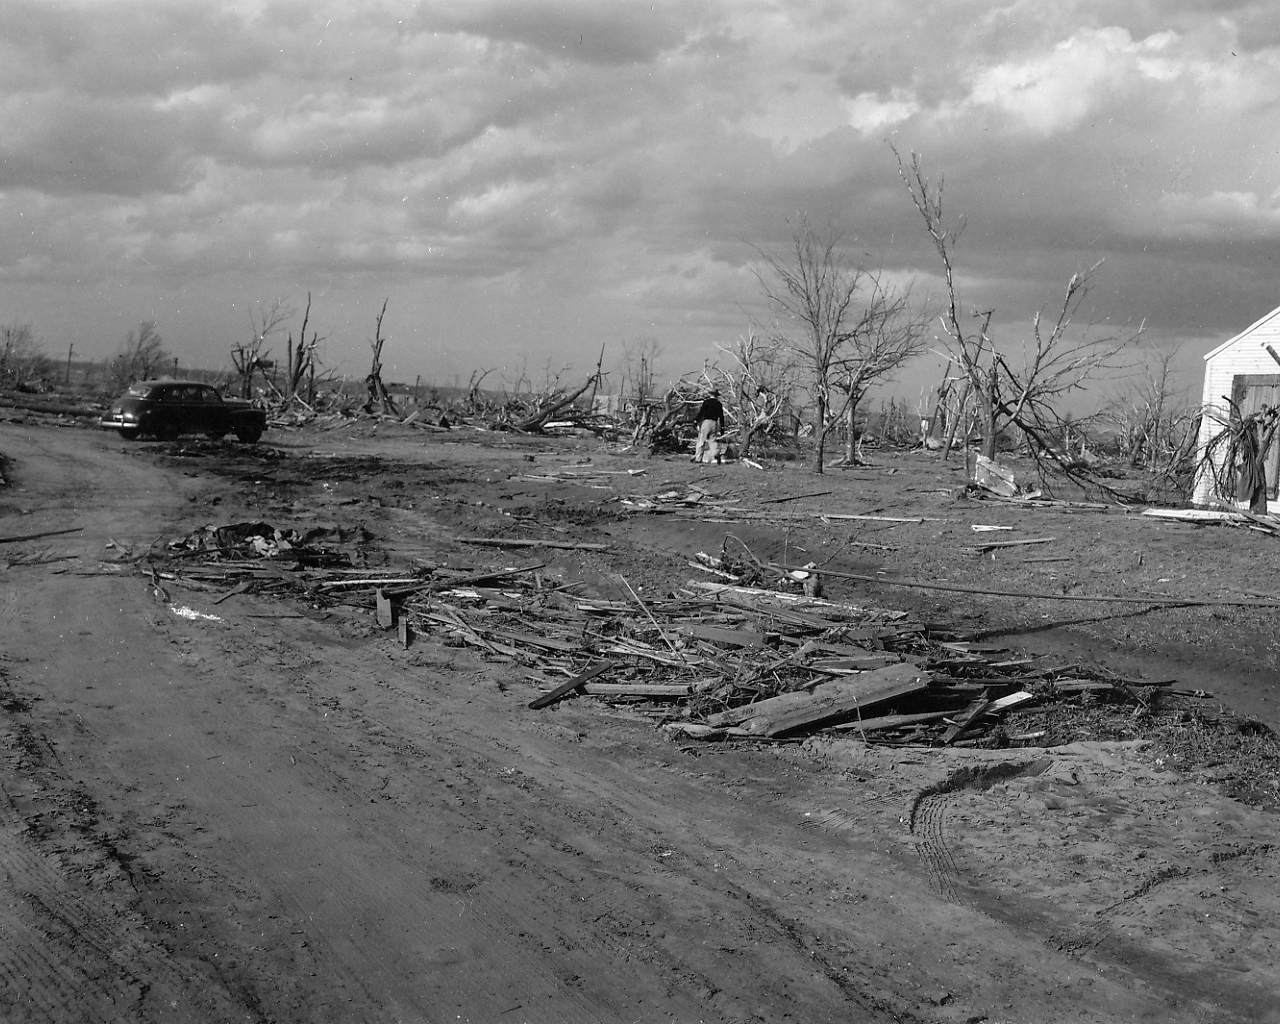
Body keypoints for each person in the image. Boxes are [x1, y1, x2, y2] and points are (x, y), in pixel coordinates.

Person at [692, 389, 725, 464]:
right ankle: (716, 454)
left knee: (701, 440)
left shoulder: (706, 402)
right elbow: (721, 417)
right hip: (714, 423)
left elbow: (701, 412)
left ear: (710, 394)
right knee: (712, 440)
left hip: (706, 422)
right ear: (716, 395)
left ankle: (698, 458)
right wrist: (722, 427)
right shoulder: (719, 404)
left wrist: (696, 420)